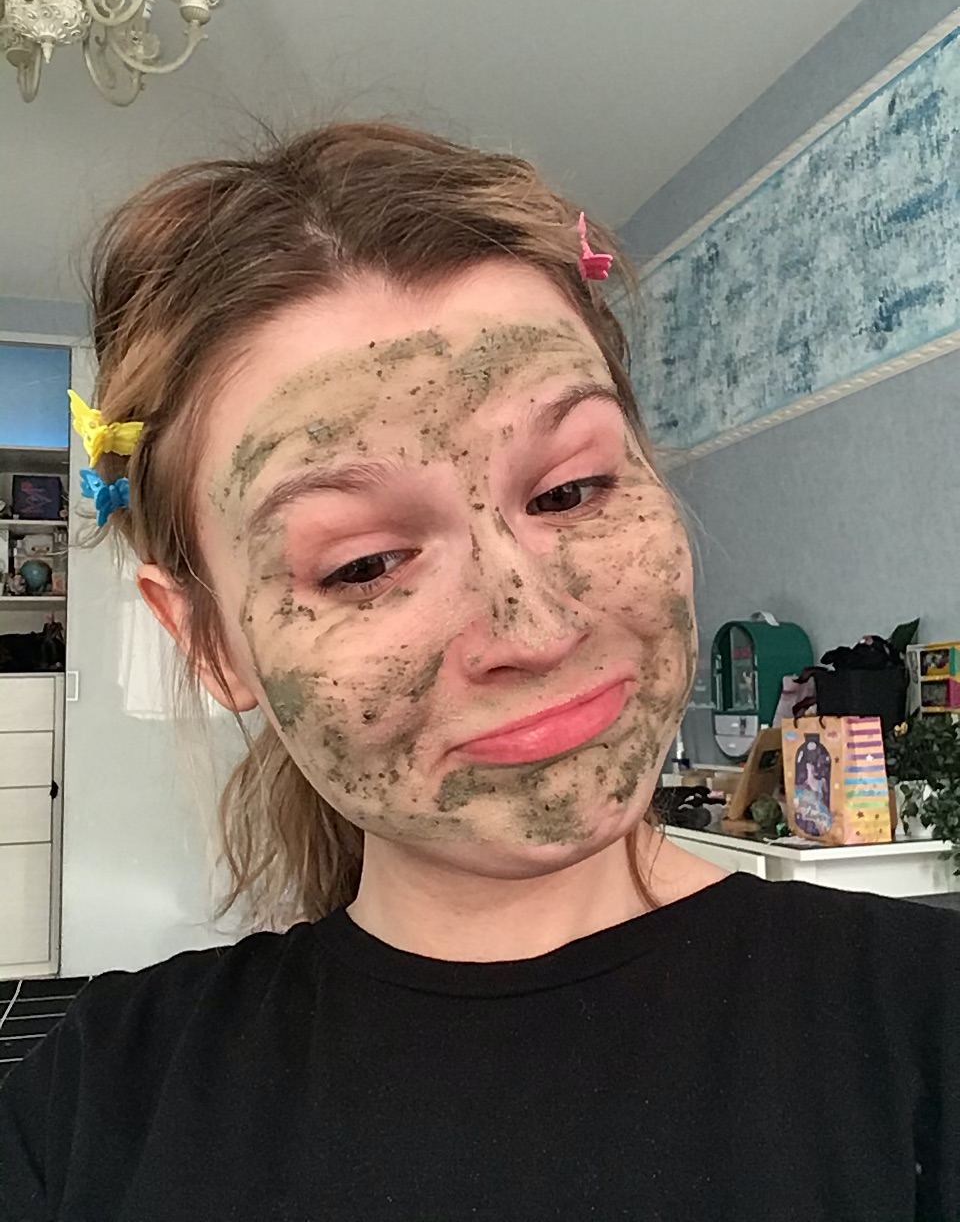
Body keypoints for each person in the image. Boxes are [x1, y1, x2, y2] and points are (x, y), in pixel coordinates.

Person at [0, 122, 957, 1221]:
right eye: (365, 564)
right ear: (208, 641)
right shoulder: (96, 1101)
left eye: (571, 491)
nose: (534, 627)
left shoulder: (926, 1017)